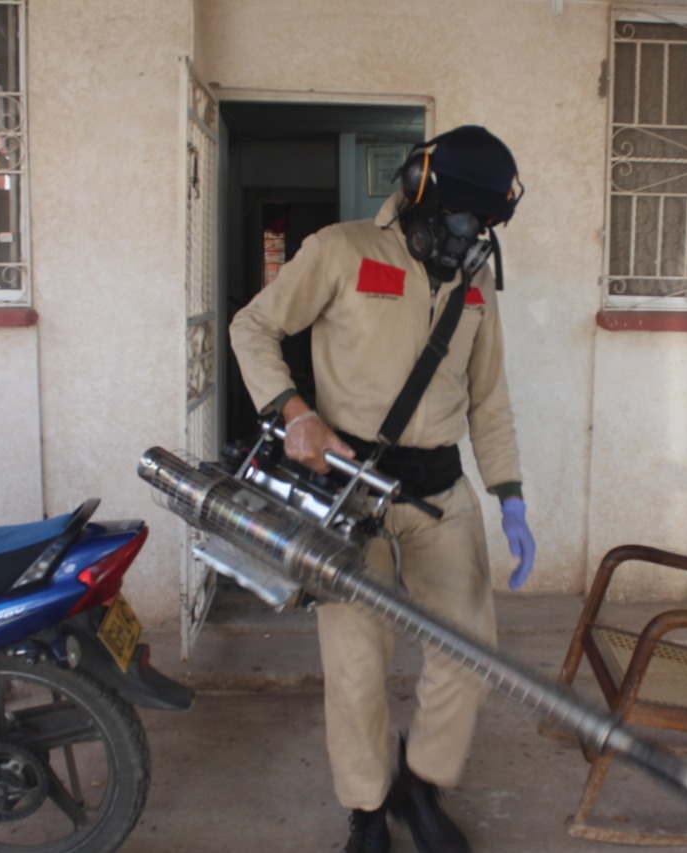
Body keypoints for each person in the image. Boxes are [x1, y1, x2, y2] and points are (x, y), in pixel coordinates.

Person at [228, 124, 536, 853]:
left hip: (440, 492)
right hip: (348, 495)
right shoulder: (341, 251)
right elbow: (253, 327)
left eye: (483, 223)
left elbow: (489, 397)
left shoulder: (475, 282)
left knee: (468, 647)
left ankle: (419, 786)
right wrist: (293, 413)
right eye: (463, 216)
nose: (470, 234)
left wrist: (510, 495)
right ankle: (368, 807)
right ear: (423, 197)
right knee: (357, 663)